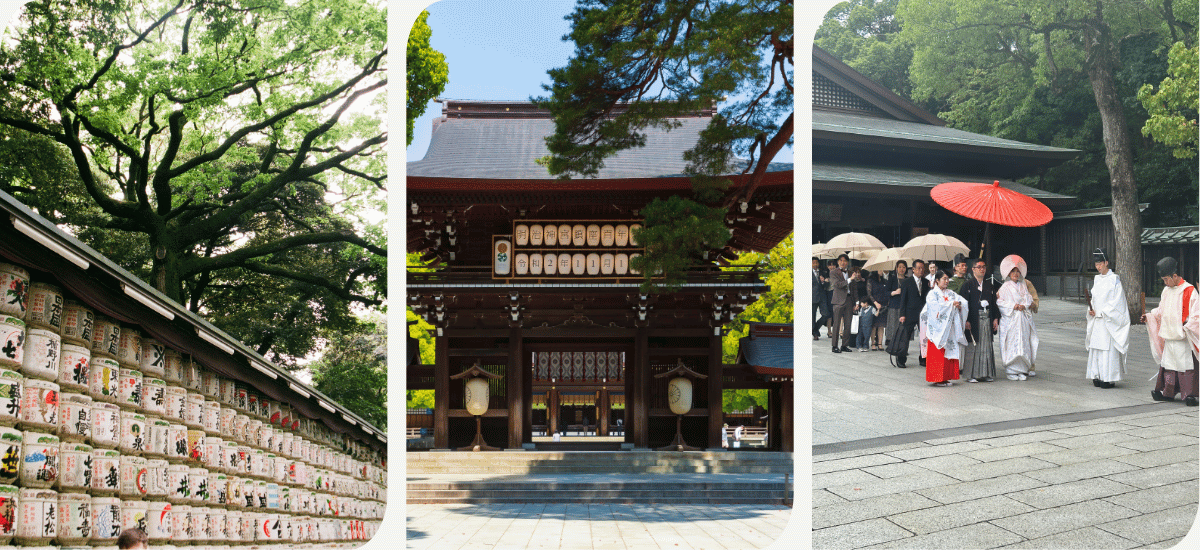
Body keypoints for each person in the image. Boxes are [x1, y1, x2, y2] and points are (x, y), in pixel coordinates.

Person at [1142, 256, 1199, 406]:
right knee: (1169, 366)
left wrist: (1188, 326)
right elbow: (1161, 311)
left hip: (1183, 336)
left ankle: (1190, 394)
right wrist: (1149, 316)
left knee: (1185, 366)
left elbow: (1196, 314)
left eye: (1166, 279)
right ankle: (1168, 392)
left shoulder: (1189, 290)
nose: (1165, 283)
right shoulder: (1166, 291)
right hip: (1170, 335)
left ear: (1175, 275)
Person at [1086, 248, 1129, 388]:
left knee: (1107, 349)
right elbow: (1095, 298)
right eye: (1096, 264)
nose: (1098, 267)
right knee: (1096, 348)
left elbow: (1118, 302)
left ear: (1106, 263)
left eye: (1100, 264)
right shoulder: (1097, 279)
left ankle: (1108, 377)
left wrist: (1103, 312)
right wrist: (1091, 309)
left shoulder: (1114, 280)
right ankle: (1096, 375)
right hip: (1097, 319)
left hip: (1107, 319)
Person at [997, 255, 1038, 380]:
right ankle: (1011, 370)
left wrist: (1024, 306)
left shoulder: (1023, 285)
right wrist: (1013, 306)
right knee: (1012, 342)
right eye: (1013, 271)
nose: (1016, 273)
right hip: (1011, 319)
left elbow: (1029, 299)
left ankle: (1022, 369)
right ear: (1009, 273)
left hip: (1023, 319)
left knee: (1024, 342)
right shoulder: (1005, 287)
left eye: (1017, 271)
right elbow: (1000, 302)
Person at [923, 270, 967, 386]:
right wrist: (951, 305)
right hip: (938, 328)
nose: (947, 281)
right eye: (944, 279)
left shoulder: (951, 293)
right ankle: (937, 378)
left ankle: (947, 377)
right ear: (937, 281)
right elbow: (934, 308)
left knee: (949, 352)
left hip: (949, 329)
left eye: (948, 279)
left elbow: (963, 301)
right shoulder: (932, 294)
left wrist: (959, 304)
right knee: (939, 353)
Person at [962, 258, 1000, 382]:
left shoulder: (990, 285)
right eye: (979, 267)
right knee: (973, 345)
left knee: (986, 346)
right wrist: (966, 320)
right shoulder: (967, 285)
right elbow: (963, 305)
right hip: (973, 320)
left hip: (987, 319)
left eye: (984, 267)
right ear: (973, 269)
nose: (982, 269)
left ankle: (986, 373)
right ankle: (970, 375)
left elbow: (994, 304)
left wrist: (995, 318)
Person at [893, 259, 928, 368]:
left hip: (923, 314)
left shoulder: (926, 282)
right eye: (918, 268)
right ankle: (901, 359)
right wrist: (902, 314)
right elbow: (903, 299)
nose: (921, 270)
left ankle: (923, 358)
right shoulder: (906, 282)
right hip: (909, 313)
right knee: (905, 337)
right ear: (913, 269)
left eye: (922, 268)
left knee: (924, 337)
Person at [829, 254, 856, 353]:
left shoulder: (851, 273)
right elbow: (838, 285)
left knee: (848, 324)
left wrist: (856, 302)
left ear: (847, 262)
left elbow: (854, 289)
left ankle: (844, 345)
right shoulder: (833, 272)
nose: (843, 262)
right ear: (838, 262)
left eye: (845, 261)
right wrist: (850, 279)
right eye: (840, 260)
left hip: (849, 300)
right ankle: (834, 346)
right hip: (838, 301)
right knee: (836, 324)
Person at [886, 260, 908, 347]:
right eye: (900, 267)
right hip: (894, 305)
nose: (902, 269)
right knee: (893, 325)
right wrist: (894, 292)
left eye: (904, 267)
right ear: (896, 268)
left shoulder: (908, 279)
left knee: (904, 327)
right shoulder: (892, 279)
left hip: (905, 306)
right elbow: (886, 292)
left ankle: (902, 346)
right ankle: (892, 345)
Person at [869, 271, 890, 350]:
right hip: (874, 304)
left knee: (881, 325)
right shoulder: (871, 280)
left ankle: (880, 343)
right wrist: (875, 303)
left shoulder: (883, 280)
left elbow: (886, 291)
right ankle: (873, 343)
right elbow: (869, 293)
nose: (882, 271)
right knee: (874, 325)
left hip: (883, 305)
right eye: (880, 269)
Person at [812, 257, 831, 340]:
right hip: (812, 297)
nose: (815, 264)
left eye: (816, 262)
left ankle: (815, 328)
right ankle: (815, 334)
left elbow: (827, 286)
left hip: (822, 297)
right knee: (812, 316)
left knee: (825, 314)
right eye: (813, 263)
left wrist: (823, 282)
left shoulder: (823, 272)